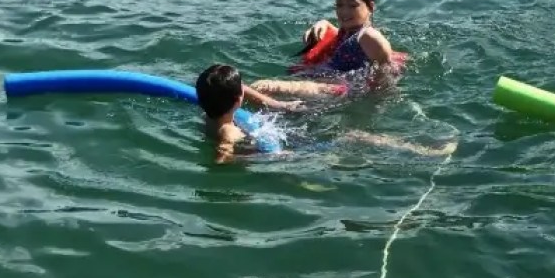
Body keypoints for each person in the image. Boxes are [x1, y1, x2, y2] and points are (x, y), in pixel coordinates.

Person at [195, 64, 456, 164]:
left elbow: (237, 89)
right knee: (353, 135)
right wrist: (276, 156)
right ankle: (424, 151)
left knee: (299, 113)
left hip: (268, 130)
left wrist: (276, 104)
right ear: (238, 99)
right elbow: (223, 158)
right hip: (284, 149)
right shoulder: (228, 132)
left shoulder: (208, 114)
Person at [253, 0, 405, 98]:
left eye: (352, 6)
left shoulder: (368, 36)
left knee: (267, 86)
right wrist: (324, 23)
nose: (344, 12)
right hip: (325, 80)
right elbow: (342, 37)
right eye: (339, 5)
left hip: (337, 90)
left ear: (370, 7)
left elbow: (385, 74)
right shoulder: (351, 30)